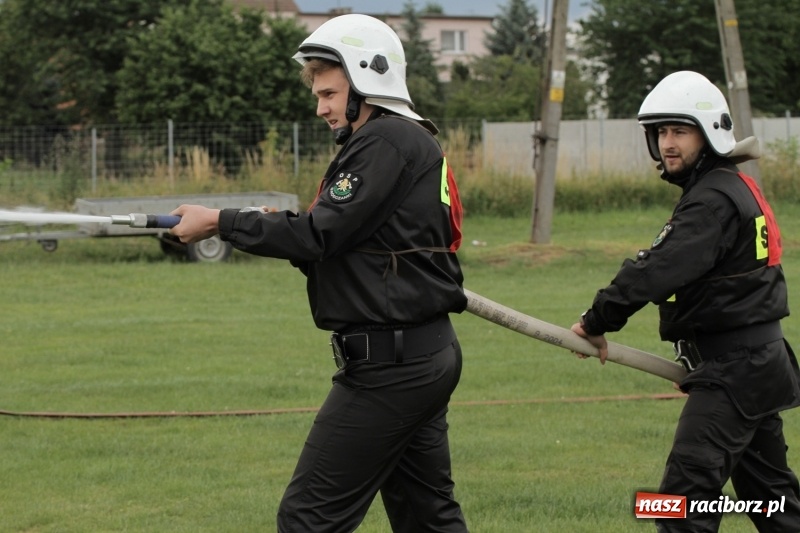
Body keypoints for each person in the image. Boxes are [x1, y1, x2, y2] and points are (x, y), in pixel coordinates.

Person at [169, 13, 469, 533]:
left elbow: (319, 236)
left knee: (308, 520)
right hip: (418, 354)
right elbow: (333, 244)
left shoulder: (386, 142)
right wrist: (264, 226)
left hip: (391, 368)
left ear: (368, 79)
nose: (321, 108)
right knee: (427, 520)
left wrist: (221, 222)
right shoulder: (397, 142)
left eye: (329, 94)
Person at [570, 71, 800, 532]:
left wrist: (597, 319)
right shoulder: (730, 187)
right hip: (755, 365)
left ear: (709, 133)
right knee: (776, 507)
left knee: (677, 507)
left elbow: (656, 269)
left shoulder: (711, 200)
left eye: (680, 131)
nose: (668, 143)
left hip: (733, 372)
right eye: (661, 133)